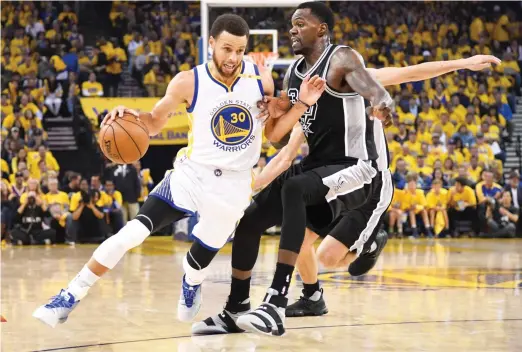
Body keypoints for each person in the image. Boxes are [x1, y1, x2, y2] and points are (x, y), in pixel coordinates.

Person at [194, 1, 501, 336]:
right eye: (291, 25)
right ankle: (239, 307)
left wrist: (387, 100)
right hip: (321, 170)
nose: (292, 30)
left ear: (321, 29)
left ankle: (275, 302)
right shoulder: (296, 74)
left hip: (361, 170)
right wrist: (276, 110)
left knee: (306, 215)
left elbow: (396, 80)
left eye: (300, 24)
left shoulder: (342, 60)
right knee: (254, 218)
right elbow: (281, 143)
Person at [33, 14, 310, 327]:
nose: (233, 58)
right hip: (191, 175)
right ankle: (70, 294)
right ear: (212, 45)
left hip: (234, 187)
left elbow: (274, 137)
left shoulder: (261, 79)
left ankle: (191, 282)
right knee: (131, 234)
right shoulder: (187, 81)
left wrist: (291, 108)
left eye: (240, 51)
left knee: (200, 260)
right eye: (226, 49)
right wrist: (131, 116)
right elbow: (153, 122)